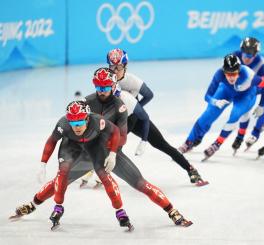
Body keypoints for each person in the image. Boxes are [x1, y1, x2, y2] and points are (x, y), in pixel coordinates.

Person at [10, 68, 193, 227]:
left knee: (141, 184)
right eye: (98, 87)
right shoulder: (86, 102)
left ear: (114, 86)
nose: (102, 91)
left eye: (105, 87)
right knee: (60, 181)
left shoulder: (123, 105)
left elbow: (121, 138)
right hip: (86, 152)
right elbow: (74, 122)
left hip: (109, 155)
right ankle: (32, 205)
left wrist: (112, 153)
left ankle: (172, 211)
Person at [12, 100, 134, 231]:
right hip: (71, 147)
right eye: (73, 123)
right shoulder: (63, 124)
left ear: (87, 119)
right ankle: (50, 207)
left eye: (80, 122)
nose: (76, 127)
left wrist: (113, 154)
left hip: (93, 146)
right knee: (62, 174)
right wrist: (43, 163)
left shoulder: (98, 121)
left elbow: (115, 131)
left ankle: (120, 212)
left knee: (104, 174)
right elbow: (51, 141)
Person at [107, 48, 208, 186]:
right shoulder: (106, 79)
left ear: (125, 66)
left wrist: (137, 108)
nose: (114, 71)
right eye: (111, 67)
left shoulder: (133, 81)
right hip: (118, 117)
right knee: (107, 143)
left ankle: (191, 169)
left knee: (161, 144)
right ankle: (94, 171)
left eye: (118, 67)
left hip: (134, 118)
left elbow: (149, 95)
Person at [178, 54, 264, 158]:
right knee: (208, 114)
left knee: (235, 114)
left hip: (246, 95)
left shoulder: (249, 75)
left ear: (239, 72)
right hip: (227, 91)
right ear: (224, 71)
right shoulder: (219, 73)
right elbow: (207, 96)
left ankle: (217, 144)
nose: (231, 77)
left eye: (234, 74)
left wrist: (261, 105)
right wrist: (215, 102)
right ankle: (189, 141)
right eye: (228, 74)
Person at [230, 37, 264, 152]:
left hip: (251, 90)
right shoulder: (233, 56)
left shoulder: (261, 64)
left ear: (255, 55)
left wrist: (261, 105)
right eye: (244, 54)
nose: (246, 58)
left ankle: (240, 137)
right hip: (235, 87)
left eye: (250, 56)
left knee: (245, 113)